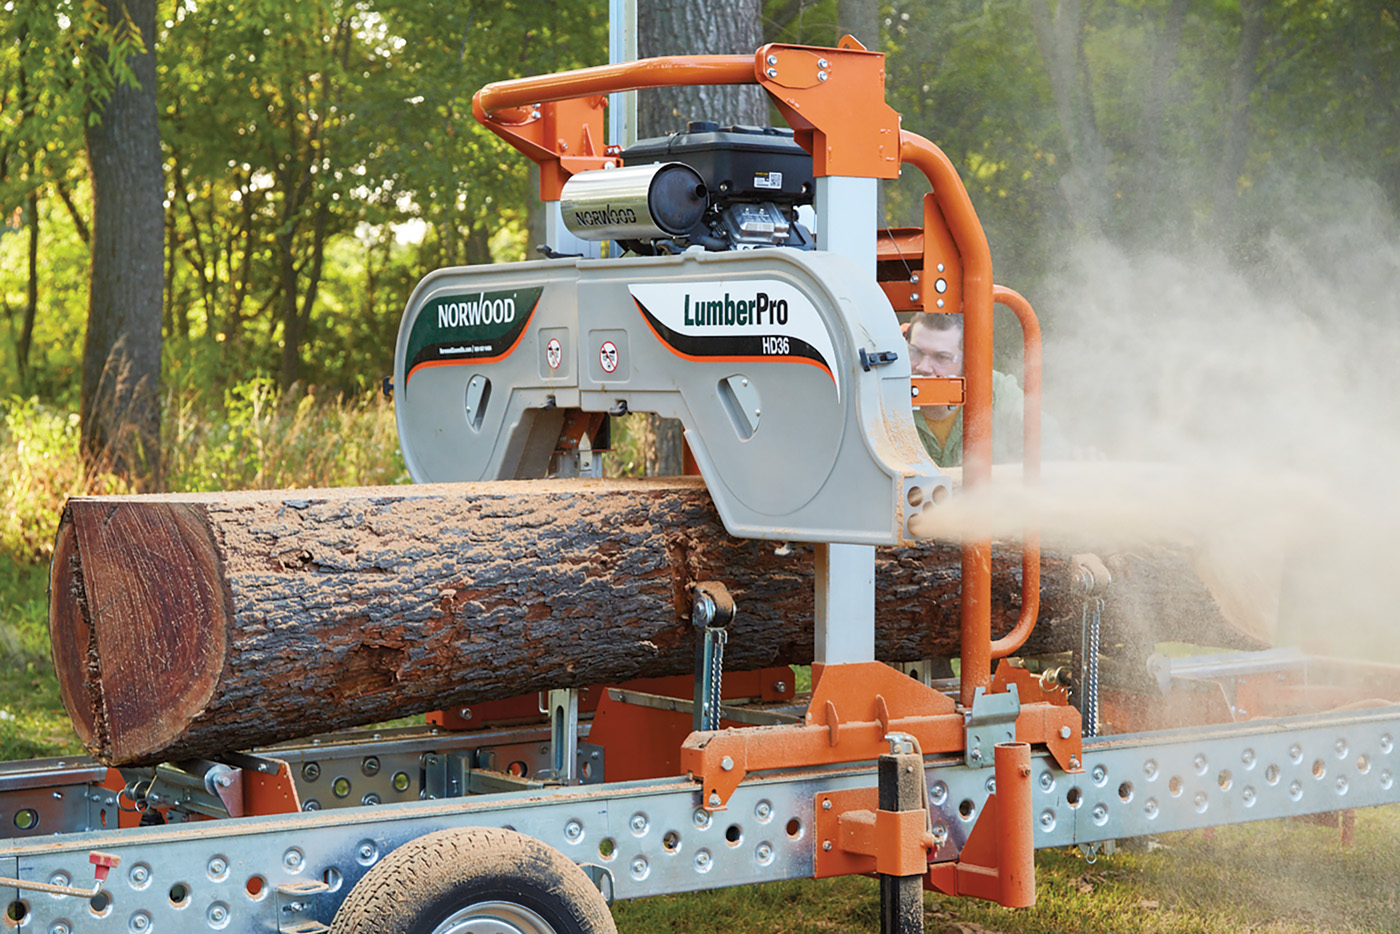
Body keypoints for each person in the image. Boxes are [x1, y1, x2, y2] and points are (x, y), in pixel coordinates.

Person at [905, 311, 1062, 468]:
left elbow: (1051, 447)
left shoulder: (998, 393)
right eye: (915, 352)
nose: (923, 367)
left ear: (967, 360)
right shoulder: (889, 392)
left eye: (941, 358)